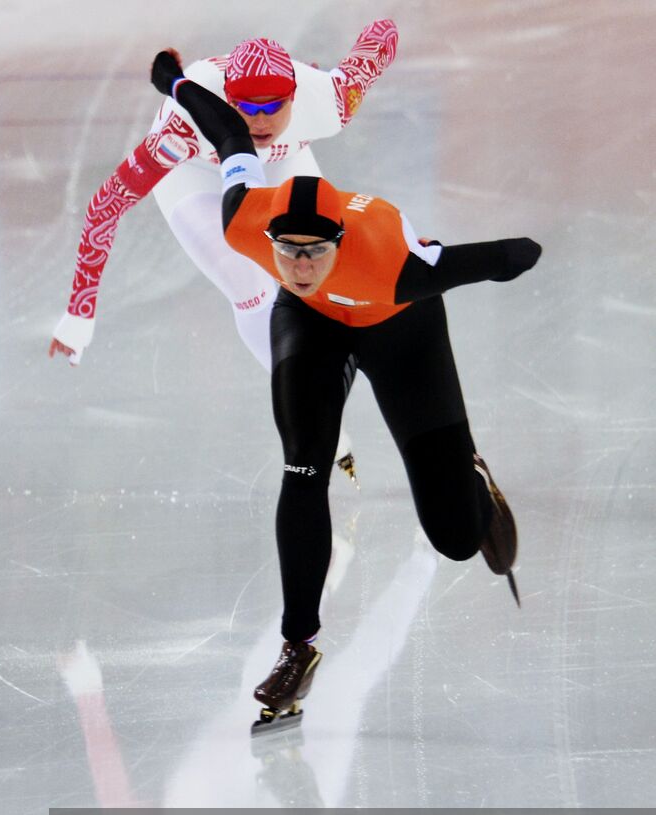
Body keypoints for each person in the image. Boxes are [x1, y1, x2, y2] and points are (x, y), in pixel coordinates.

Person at [149, 49, 542, 731]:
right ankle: (296, 646)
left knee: (452, 538)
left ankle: (467, 479)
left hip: (399, 326)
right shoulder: (246, 217)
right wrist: (175, 81)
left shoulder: (398, 264)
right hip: (314, 329)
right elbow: (228, 134)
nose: (297, 266)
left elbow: (506, 258)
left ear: (338, 242)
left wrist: (510, 255)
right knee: (303, 470)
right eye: (285, 253)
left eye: (312, 253)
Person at [49, 22, 400, 483]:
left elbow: (381, 40)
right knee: (246, 278)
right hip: (194, 171)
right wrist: (79, 314)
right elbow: (106, 205)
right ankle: (315, 419)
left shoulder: (330, 100)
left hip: (283, 163)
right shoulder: (183, 127)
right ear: (228, 102)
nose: (259, 121)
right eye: (246, 108)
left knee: (334, 269)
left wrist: (382, 26)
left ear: (294, 95)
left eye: (273, 107)